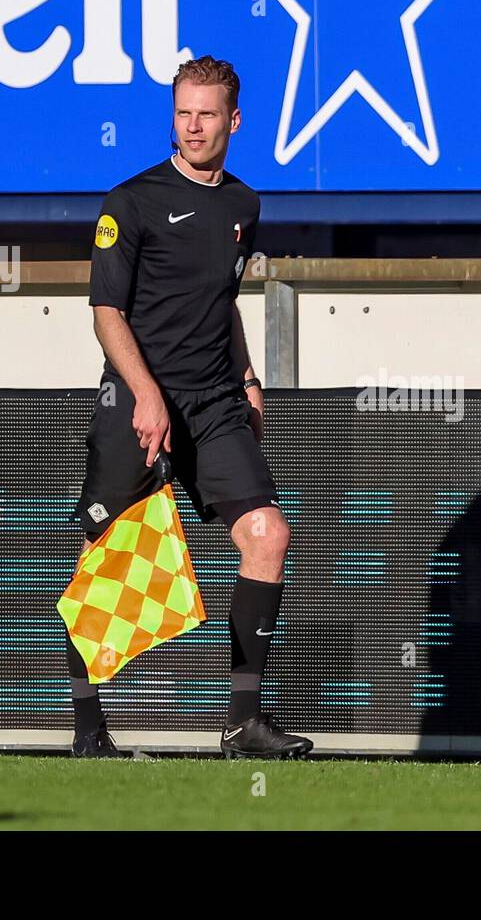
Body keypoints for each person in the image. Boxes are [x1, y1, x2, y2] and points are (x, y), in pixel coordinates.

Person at [65, 55, 312, 760]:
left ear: (233, 120)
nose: (193, 126)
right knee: (100, 564)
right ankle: (89, 733)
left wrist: (250, 380)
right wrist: (145, 394)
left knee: (268, 534)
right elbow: (107, 313)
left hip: (214, 403)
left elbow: (222, 303)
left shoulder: (244, 204)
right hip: (136, 402)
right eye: (183, 113)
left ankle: (243, 725)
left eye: (206, 114)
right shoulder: (130, 201)